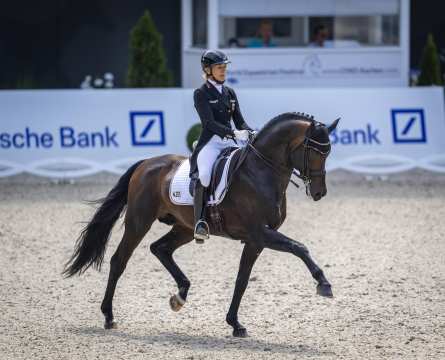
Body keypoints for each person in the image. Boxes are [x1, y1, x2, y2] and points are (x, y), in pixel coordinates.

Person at [189, 50, 254, 242]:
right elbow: (208, 122)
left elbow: (240, 121)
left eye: (225, 67)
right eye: (219, 67)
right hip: (211, 142)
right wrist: (232, 133)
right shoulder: (201, 93)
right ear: (208, 70)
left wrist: (251, 132)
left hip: (231, 142)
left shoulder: (230, 93)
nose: (223, 70)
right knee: (206, 175)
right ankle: (199, 222)